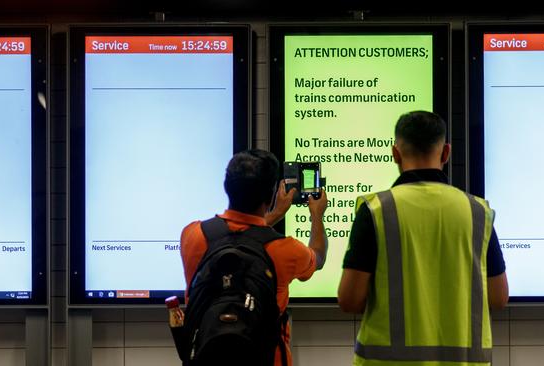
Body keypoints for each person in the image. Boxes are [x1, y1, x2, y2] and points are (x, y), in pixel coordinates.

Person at [338, 111, 508, 366]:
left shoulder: (376, 210)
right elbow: (498, 297)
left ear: (395, 154)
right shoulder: (477, 212)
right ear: (446, 153)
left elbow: (350, 300)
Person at [180, 149, 328, 366]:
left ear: (226, 187)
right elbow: (319, 257)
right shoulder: (285, 250)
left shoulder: (193, 235)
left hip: (205, 356)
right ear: (270, 195)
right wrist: (317, 214)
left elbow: (237, 235)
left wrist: (275, 214)